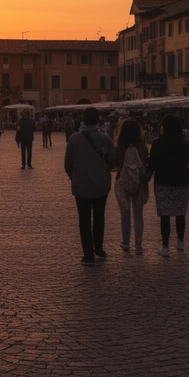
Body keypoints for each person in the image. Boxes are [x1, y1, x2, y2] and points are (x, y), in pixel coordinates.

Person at [64, 107, 116, 266]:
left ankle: (88, 254)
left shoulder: (74, 138)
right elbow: (113, 161)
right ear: (98, 120)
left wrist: (76, 178)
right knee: (100, 216)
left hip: (81, 185)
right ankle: (99, 248)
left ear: (82, 120)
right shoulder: (106, 138)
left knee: (84, 219)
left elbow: (67, 164)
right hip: (101, 184)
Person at [147, 114, 189, 256]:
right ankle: (180, 242)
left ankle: (165, 247)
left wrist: (146, 175)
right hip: (182, 182)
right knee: (180, 213)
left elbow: (152, 163)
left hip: (163, 182)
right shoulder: (185, 142)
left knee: (165, 215)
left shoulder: (158, 143)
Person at [114, 118, 150, 252]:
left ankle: (126, 242)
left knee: (125, 213)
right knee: (138, 215)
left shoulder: (119, 147)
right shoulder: (142, 147)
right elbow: (146, 164)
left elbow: (115, 163)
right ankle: (139, 246)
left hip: (122, 183)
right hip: (139, 183)